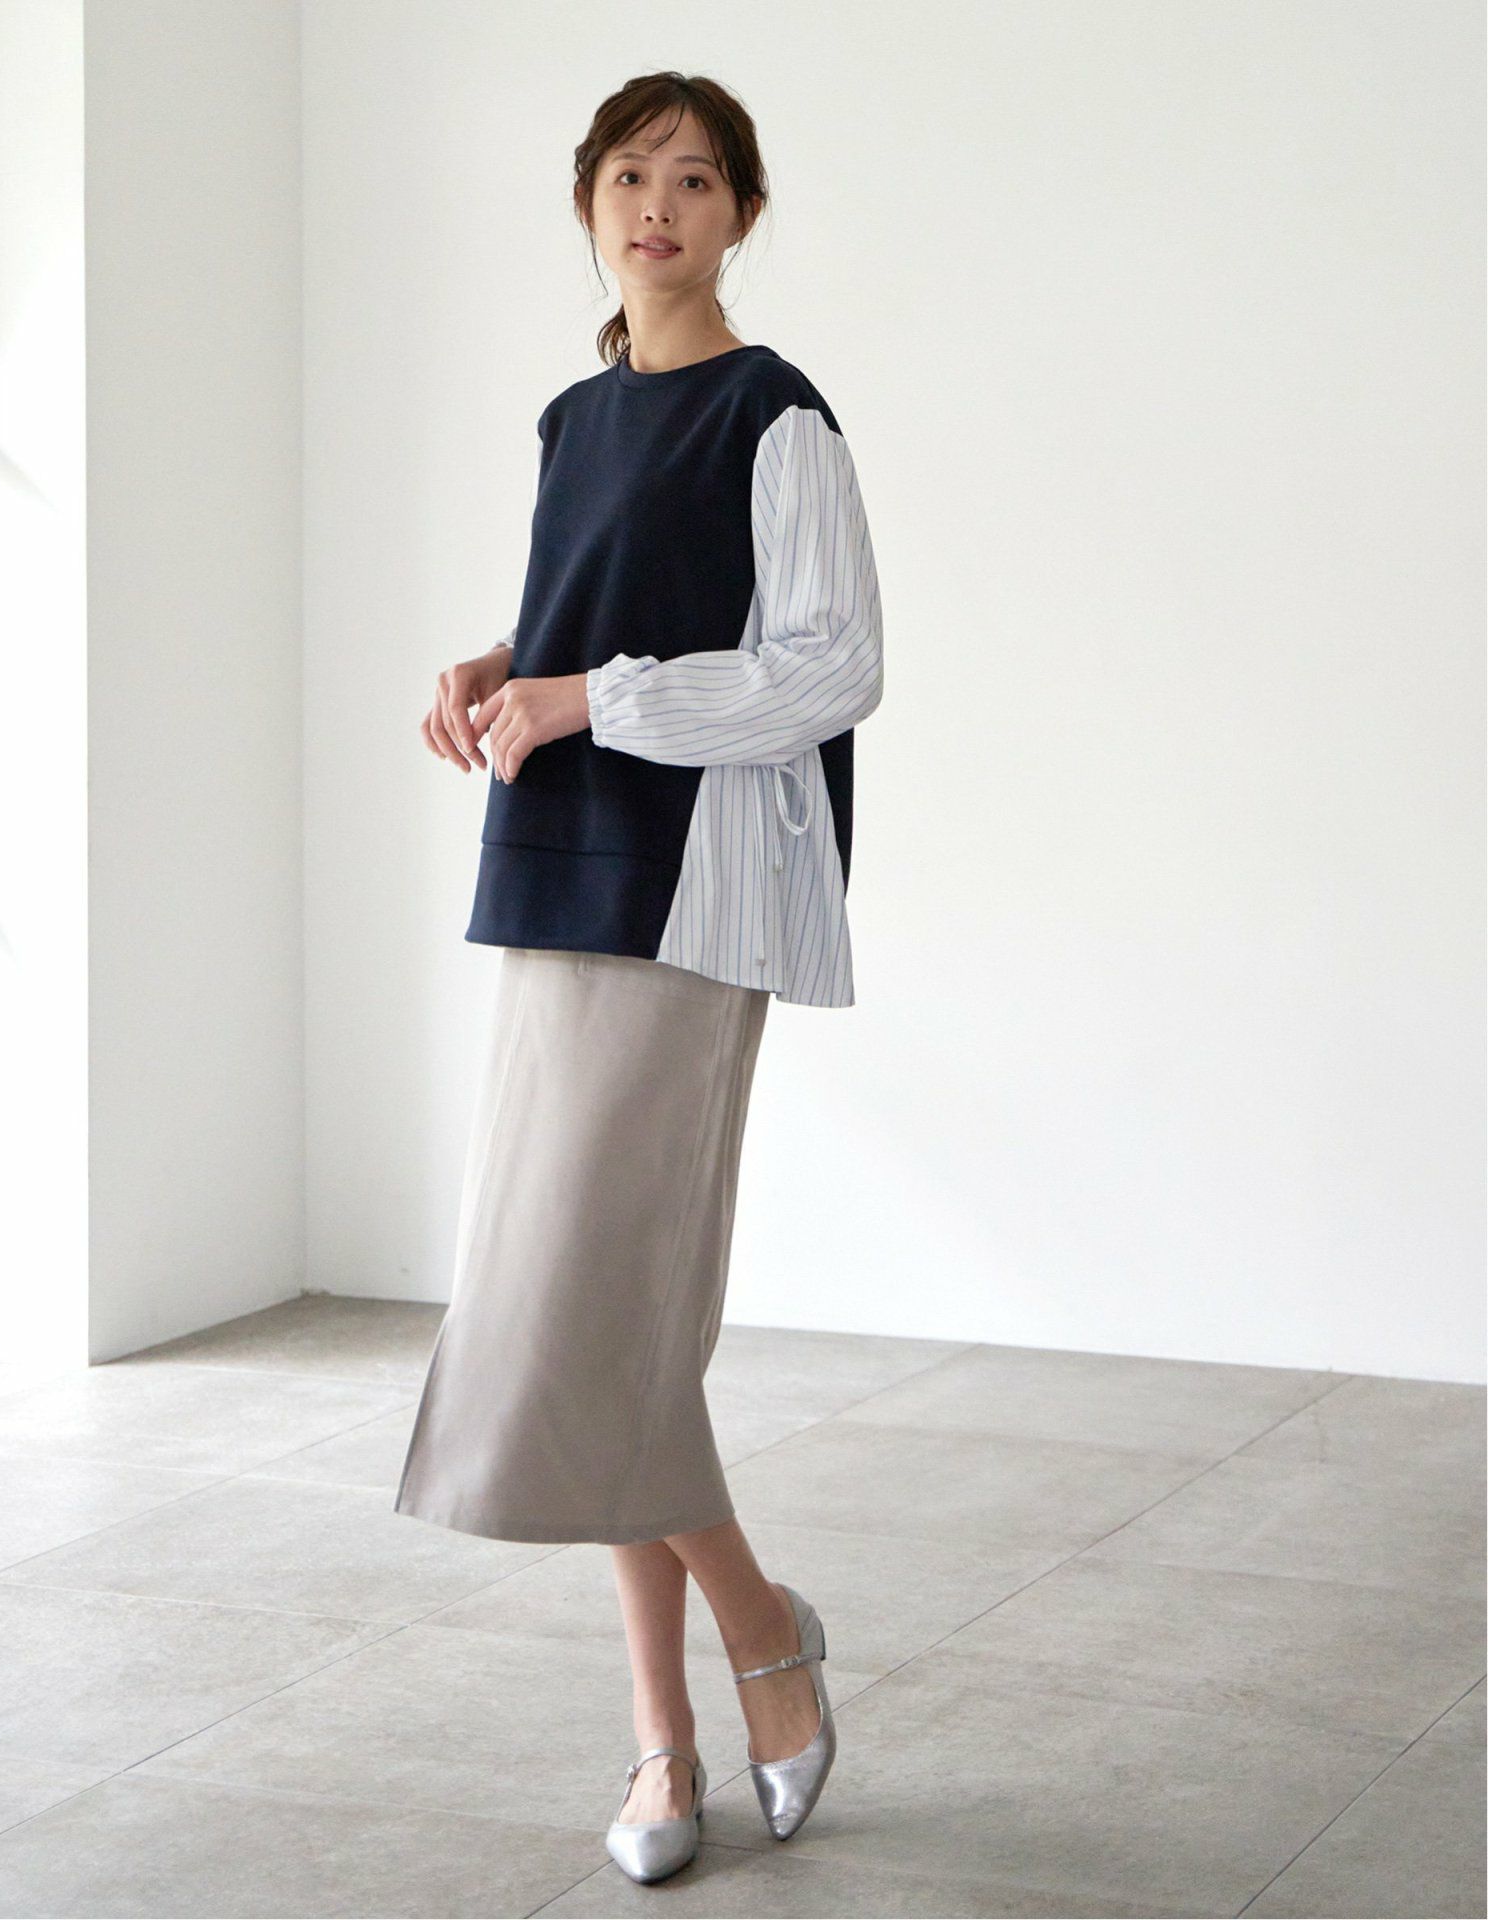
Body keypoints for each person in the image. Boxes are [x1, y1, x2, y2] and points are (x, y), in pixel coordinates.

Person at [392, 68, 884, 1886]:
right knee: (589, 1330)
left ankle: (756, 1652)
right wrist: (502, 665)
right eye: (627, 175)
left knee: (599, 1335)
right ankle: (671, 1729)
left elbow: (831, 666)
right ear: (589, 204)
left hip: (692, 898)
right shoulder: (573, 419)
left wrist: (585, 697)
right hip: (554, 875)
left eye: (693, 178)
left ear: (742, 212)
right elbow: (595, 627)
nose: (657, 205)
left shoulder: (778, 418)